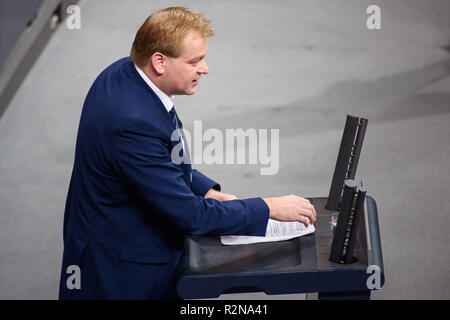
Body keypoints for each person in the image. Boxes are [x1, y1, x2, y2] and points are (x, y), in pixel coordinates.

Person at [59, 7, 316, 300]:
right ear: (159, 61)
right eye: (194, 61)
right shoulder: (133, 122)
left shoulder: (124, 73)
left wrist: (204, 189)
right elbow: (189, 216)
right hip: (122, 275)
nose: (205, 69)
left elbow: (158, 160)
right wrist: (268, 207)